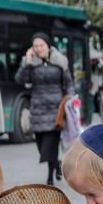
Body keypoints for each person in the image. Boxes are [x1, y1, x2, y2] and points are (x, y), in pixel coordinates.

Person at [16, 32, 73, 185]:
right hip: (37, 108)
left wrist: (69, 100)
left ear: (48, 46)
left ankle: (50, 178)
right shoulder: (30, 62)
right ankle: (57, 164)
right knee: (42, 147)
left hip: (56, 110)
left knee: (50, 145)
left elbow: (69, 83)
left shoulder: (60, 61)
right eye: (36, 46)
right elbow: (20, 80)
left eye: (41, 45)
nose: (39, 48)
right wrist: (27, 62)